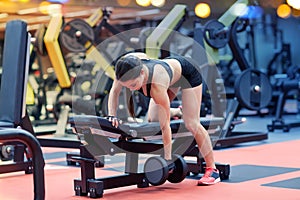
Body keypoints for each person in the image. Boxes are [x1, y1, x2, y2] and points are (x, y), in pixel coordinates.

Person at [107, 52, 220, 185]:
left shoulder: (157, 86)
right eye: (127, 86)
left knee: (191, 123)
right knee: (153, 118)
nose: (131, 90)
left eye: (133, 85)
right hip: (170, 69)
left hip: (187, 74)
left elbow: (165, 126)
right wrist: (112, 115)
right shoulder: (124, 68)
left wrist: (167, 159)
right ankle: (179, 111)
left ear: (142, 72)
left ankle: (212, 170)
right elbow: (114, 91)